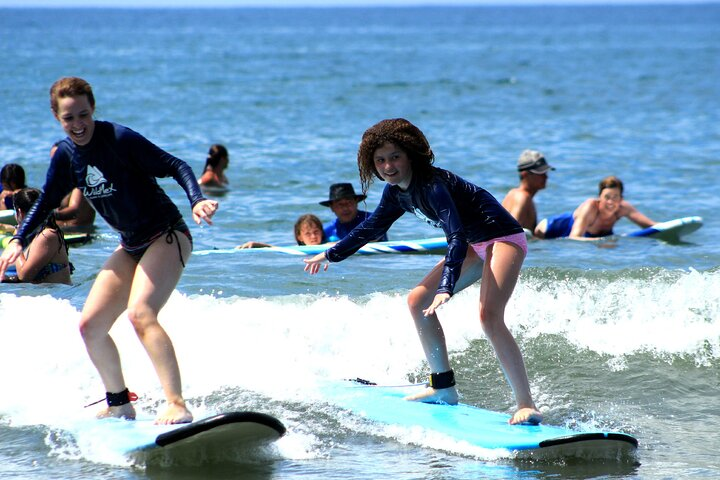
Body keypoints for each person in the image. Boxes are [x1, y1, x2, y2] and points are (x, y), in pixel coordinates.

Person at [0, 77, 219, 425]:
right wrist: (18, 239)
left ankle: (176, 403)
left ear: (93, 109)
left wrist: (197, 201)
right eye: (69, 118)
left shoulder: (119, 138)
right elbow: (44, 201)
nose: (78, 124)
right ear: (57, 117)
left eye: (83, 114)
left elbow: (176, 165)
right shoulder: (65, 155)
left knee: (140, 314)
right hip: (130, 244)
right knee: (90, 325)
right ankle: (119, 403)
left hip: (167, 235)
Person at [304, 118, 542, 425]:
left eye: (395, 157)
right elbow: (371, 228)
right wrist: (330, 253)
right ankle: (443, 387)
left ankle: (526, 404)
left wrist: (446, 286)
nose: (388, 166)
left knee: (489, 316)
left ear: (411, 155)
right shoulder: (395, 192)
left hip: (502, 238)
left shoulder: (433, 186)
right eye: (380, 160)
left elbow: (454, 236)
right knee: (417, 301)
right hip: (474, 245)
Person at [534, 175, 655, 240]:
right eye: (606, 197)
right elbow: (574, 238)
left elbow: (652, 226)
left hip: (589, 238)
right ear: (599, 197)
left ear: (621, 199)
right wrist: (601, 242)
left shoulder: (623, 208)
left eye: (615, 197)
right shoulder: (590, 207)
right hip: (550, 229)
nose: (611, 202)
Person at [2, 188, 73, 284]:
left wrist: (15, 239)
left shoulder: (47, 235)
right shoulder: (40, 235)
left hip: (57, 297)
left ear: (20, 213)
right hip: (50, 295)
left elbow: (23, 275)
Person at [49, 141, 96, 232]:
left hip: (78, 232)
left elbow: (74, 210)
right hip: (62, 230)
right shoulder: (62, 182)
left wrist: (46, 215)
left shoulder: (80, 180)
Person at [501, 150, 554, 232]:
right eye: (540, 173)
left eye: (545, 172)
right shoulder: (523, 197)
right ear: (525, 174)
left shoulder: (512, 194)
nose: (545, 177)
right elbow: (511, 232)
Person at [320, 183, 387, 242]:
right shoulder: (325, 231)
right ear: (332, 207)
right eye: (340, 204)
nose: (345, 208)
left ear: (356, 202)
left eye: (349, 203)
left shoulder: (372, 220)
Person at [238, 214, 326, 249]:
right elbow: (279, 249)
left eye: (316, 232)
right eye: (308, 234)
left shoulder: (327, 246)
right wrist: (256, 244)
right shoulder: (298, 249)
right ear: (300, 237)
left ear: (321, 232)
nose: (313, 236)